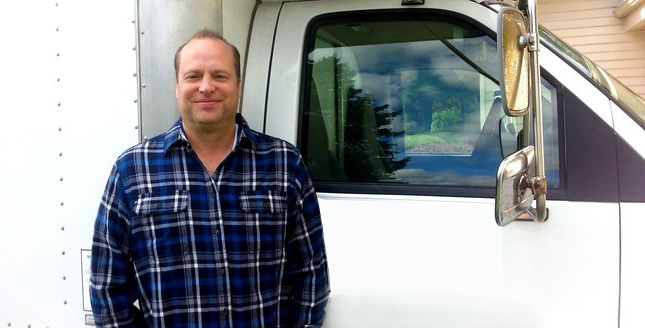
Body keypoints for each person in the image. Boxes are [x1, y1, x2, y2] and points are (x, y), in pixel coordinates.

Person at [90, 29, 330, 327]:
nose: (206, 87)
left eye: (219, 75)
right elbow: (107, 285)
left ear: (238, 86)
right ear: (177, 87)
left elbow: (312, 271)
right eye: (193, 76)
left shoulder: (284, 163)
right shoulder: (132, 169)